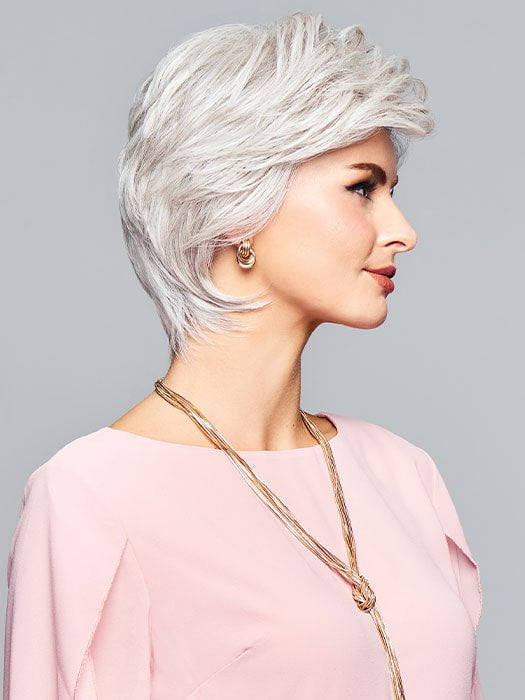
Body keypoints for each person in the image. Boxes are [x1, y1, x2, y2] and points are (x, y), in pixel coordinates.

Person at [3, 11, 484, 699]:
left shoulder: (402, 473)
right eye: (361, 188)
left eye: (391, 192)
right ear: (236, 206)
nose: (402, 232)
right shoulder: (92, 495)